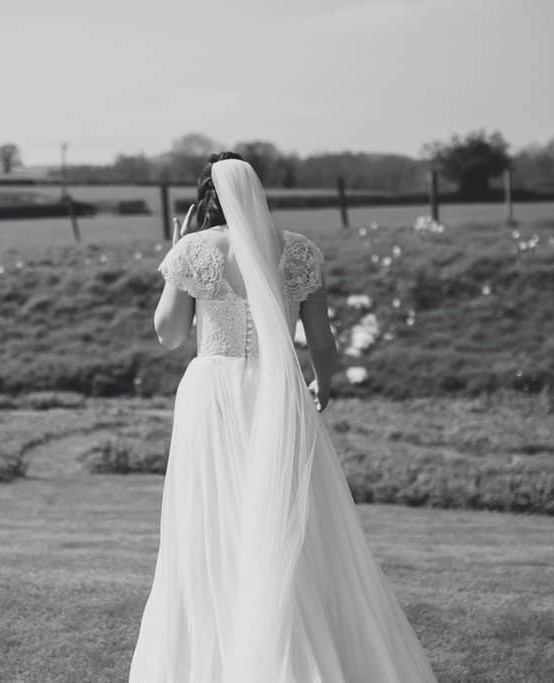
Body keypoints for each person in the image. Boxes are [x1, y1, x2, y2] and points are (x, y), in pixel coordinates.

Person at [128, 154, 438, 682]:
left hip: (216, 395)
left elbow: (169, 334)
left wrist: (175, 250)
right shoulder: (297, 250)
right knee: (297, 520)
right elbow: (322, 341)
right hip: (280, 390)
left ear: (205, 197)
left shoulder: (196, 250)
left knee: (212, 520)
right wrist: (323, 383)